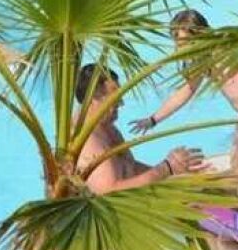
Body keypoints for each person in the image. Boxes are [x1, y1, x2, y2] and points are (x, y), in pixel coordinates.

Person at [130, 10, 238, 202]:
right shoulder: (202, 61)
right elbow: (186, 91)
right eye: (178, 42)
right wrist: (154, 119)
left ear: (200, 34)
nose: (181, 47)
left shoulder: (230, 48)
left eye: (185, 41)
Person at [75, 63, 209, 195]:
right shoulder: (88, 141)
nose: (121, 103)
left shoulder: (107, 128)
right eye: (115, 97)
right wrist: (166, 168)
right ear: (94, 98)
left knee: (206, 191)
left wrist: (173, 175)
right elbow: (109, 193)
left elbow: (131, 166)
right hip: (119, 211)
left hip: (135, 202)